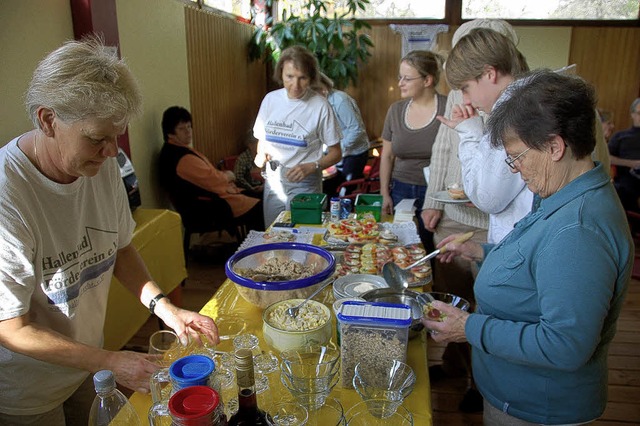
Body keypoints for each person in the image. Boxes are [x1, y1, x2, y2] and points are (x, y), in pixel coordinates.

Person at [0, 37, 219, 425]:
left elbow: (118, 250)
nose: (109, 151)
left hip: (86, 364)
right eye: (96, 138)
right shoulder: (8, 197)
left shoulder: (100, 166)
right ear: (48, 119)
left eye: (115, 136)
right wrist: (110, 361)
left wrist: (165, 307)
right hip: (26, 388)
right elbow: (11, 328)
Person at [423, 70, 632, 425]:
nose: (516, 169)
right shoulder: (564, 194)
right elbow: (539, 266)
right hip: (515, 393)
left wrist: (469, 328)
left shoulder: (579, 229)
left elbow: (565, 346)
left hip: (537, 406)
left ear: (555, 146)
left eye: (517, 156)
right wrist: (482, 251)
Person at [420, 19, 517, 412]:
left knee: (485, 304)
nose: (460, 92)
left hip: (490, 224)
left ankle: (480, 382)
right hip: (454, 215)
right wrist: (433, 200)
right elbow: (442, 151)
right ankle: (451, 362)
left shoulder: (507, 106)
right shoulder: (467, 97)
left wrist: (472, 130)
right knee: (451, 295)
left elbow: (494, 190)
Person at [440, 28, 611, 245]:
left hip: (543, 240)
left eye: (465, 88)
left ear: (489, 73)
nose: (465, 99)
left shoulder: (516, 110)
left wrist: (470, 133)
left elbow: (486, 197)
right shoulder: (542, 93)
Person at [253, 45, 342, 225]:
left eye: (303, 78)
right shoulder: (271, 100)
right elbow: (262, 138)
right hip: (274, 178)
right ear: (281, 74)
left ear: (311, 78)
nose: (295, 85)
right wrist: (261, 153)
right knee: (274, 235)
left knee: (303, 237)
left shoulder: (320, 106)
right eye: (290, 77)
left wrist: (313, 166)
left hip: (305, 181)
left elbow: (336, 153)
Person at [159, 106, 265, 233]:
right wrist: (229, 175)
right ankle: (258, 247)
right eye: (182, 129)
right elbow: (215, 180)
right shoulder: (181, 158)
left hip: (209, 201)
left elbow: (210, 178)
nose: (188, 132)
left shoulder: (176, 151)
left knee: (260, 197)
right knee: (261, 207)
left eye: (189, 127)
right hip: (205, 209)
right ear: (170, 133)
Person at [380, 50, 446, 252]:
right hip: (401, 188)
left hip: (437, 191)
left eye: (407, 78)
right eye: (400, 77)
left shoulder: (448, 107)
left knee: (432, 247)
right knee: (401, 245)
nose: (400, 83)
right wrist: (384, 193)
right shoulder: (396, 110)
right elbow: (387, 155)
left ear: (427, 80)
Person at [313, 72, 370, 195]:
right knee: (329, 188)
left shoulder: (340, 100)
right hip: (338, 152)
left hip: (354, 153)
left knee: (343, 192)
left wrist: (337, 149)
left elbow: (356, 130)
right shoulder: (318, 103)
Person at [608, 98, 640, 212]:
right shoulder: (621, 136)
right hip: (626, 181)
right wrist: (632, 164)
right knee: (622, 190)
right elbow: (607, 157)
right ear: (632, 114)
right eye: (639, 113)